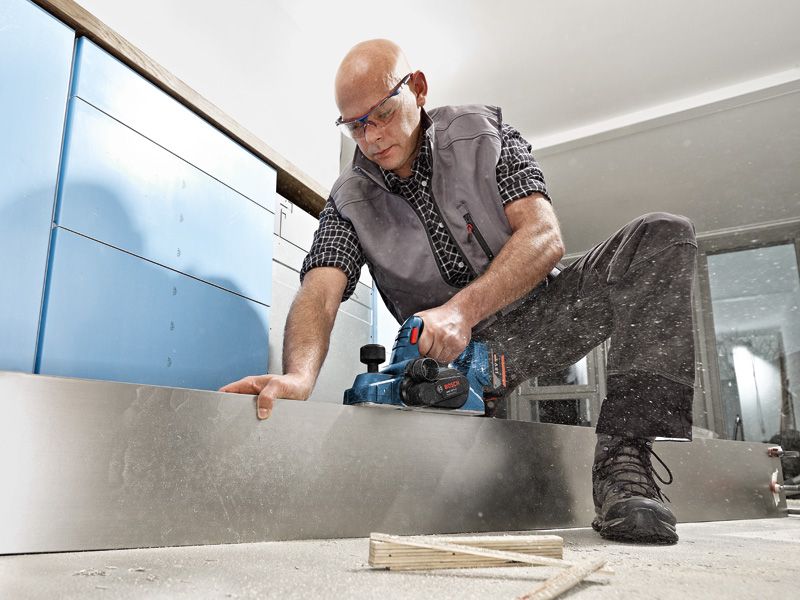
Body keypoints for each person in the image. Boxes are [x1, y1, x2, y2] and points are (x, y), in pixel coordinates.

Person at [222, 39, 698, 545]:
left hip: (541, 316)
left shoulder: (484, 134)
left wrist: (461, 310)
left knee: (662, 235)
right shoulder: (349, 199)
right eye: (355, 125)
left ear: (419, 89)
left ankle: (622, 462)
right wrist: (299, 376)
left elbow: (544, 236)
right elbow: (320, 290)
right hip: (450, 359)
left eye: (381, 114)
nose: (372, 137)